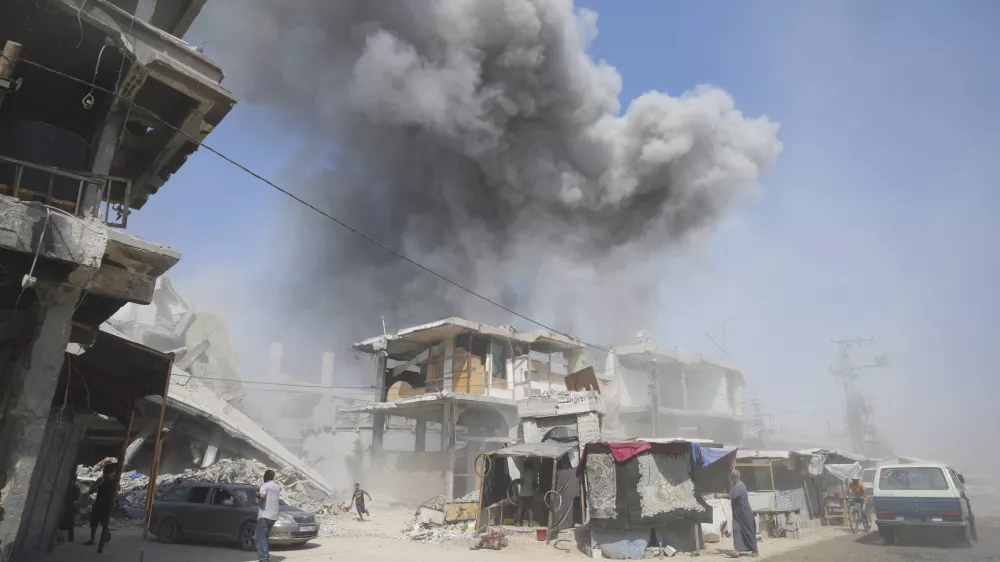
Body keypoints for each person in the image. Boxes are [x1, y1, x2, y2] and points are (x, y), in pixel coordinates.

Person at [715, 469, 758, 558]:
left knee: (748, 531)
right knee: (736, 530)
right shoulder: (734, 485)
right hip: (737, 513)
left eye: (732, 477)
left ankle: (755, 550)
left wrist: (720, 495)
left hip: (744, 513)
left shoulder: (740, 485)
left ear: (735, 477)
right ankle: (737, 550)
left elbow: (732, 495)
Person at [83, 463, 117, 552]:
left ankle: (93, 539)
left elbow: (92, 490)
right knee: (101, 521)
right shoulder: (112, 481)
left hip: (101, 503)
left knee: (96, 522)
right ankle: (102, 537)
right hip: (105, 504)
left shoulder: (103, 480)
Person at [255, 469, 280, 562]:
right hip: (273, 516)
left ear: (266, 476)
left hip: (264, 515)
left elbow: (262, 496)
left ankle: (263, 559)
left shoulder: (264, 486)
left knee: (261, 538)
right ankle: (266, 556)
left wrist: (256, 494)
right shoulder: (277, 487)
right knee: (264, 537)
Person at [516, 460, 538, 527]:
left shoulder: (522, 472)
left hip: (522, 494)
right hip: (530, 493)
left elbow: (521, 482)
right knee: (530, 508)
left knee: (520, 509)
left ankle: (518, 523)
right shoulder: (533, 472)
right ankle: (530, 523)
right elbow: (536, 483)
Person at [61, 475, 81, 543]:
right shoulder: (74, 486)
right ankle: (69, 538)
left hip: (70, 505)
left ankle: (67, 538)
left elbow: (77, 496)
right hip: (71, 505)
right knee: (70, 523)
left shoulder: (73, 487)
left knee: (67, 522)